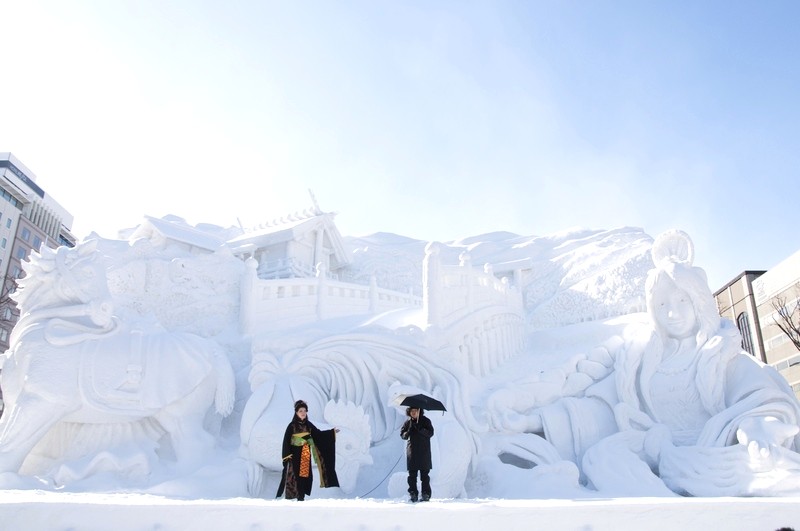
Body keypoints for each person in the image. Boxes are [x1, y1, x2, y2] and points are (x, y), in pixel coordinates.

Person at [276, 400, 339, 501]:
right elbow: (286, 441)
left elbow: (319, 435)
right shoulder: (291, 426)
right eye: (300, 411)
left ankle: (301, 498)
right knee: (294, 476)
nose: (303, 413)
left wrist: (332, 433)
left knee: (304, 476)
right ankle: (293, 499)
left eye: (304, 410)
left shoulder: (309, 425)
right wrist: (287, 455)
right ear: (296, 412)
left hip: (305, 453)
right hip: (294, 455)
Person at [400, 407, 434, 502]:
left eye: (416, 411)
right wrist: (408, 432)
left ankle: (425, 494)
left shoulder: (426, 421)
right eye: (412, 411)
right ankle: (413, 494)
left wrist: (421, 429)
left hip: (424, 452)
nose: (414, 413)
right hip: (412, 452)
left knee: (425, 476)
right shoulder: (408, 423)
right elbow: (403, 435)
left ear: (420, 411)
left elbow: (430, 433)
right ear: (409, 412)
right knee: (412, 476)